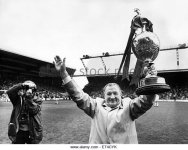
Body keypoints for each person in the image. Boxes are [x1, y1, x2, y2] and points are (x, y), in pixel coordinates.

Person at [54, 55, 158, 144]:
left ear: (121, 94)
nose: (112, 96)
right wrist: (64, 73)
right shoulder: (95, 106)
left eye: (115, 93)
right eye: (109, 94)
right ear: (103, 96)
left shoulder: (129, 106)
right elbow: (78, 95)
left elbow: (146, 101)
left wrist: (151, 78)